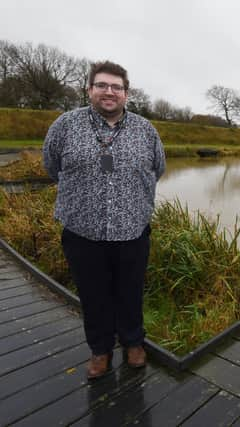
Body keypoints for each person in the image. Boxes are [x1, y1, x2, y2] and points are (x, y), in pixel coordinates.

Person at [43, 61, 165, 380]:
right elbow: (50, 166)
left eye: (116, 87)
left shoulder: (146, 130)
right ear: (90, 90)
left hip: (132, 232)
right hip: (82, 233)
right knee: (93, 295)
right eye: (102, 85)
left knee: (131, 292)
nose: (109, 91)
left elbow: (158, 169)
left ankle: (133, 343)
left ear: (126, 93)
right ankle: (100, 350)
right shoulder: (65, 125)